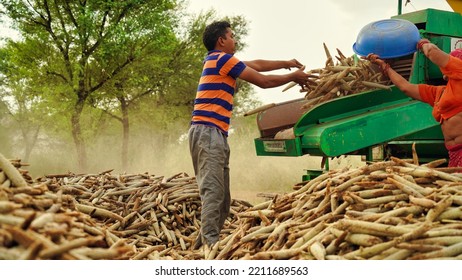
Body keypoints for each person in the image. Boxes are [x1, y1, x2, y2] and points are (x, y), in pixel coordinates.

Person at [188, 20, 311, 253]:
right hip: (208, 132)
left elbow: (256, 65)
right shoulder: (221, 59)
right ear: (221, 40)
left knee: (222, 199)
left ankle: (200, 248)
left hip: (214, 133)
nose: (235, 40)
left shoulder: (219, 60)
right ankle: (209, 248)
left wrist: (285, 64)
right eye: (232, 36)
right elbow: (262, 81)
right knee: (213, 192)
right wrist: (293, 77)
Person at [366, 38, 462, 167]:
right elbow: (406, 87)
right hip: (453, 153)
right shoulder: (440, 92)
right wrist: (385, 67)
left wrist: (422, 42)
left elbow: (432, 53)